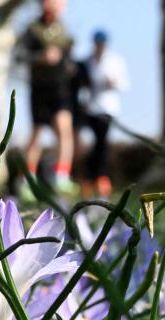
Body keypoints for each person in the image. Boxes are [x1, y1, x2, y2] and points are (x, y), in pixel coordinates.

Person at [18, 0, 76, 196]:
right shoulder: (33, 29)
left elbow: (69, 59)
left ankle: (62, 177)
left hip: (60, 88)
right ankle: (27, 180)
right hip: (39, 88)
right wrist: (40, 57)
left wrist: (68, 64)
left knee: (64, 128)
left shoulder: (64, 30)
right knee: (36, 133)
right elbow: (21, 55)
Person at [82, 29, 128, 197]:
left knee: (102, 142)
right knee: (96, 143)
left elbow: (123, 83)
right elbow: (83, 85)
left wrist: (113, 82)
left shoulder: (115, 61)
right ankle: (93, 177)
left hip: (108, 108)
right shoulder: (88, 61)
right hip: (92, 108)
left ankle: (99, 178)